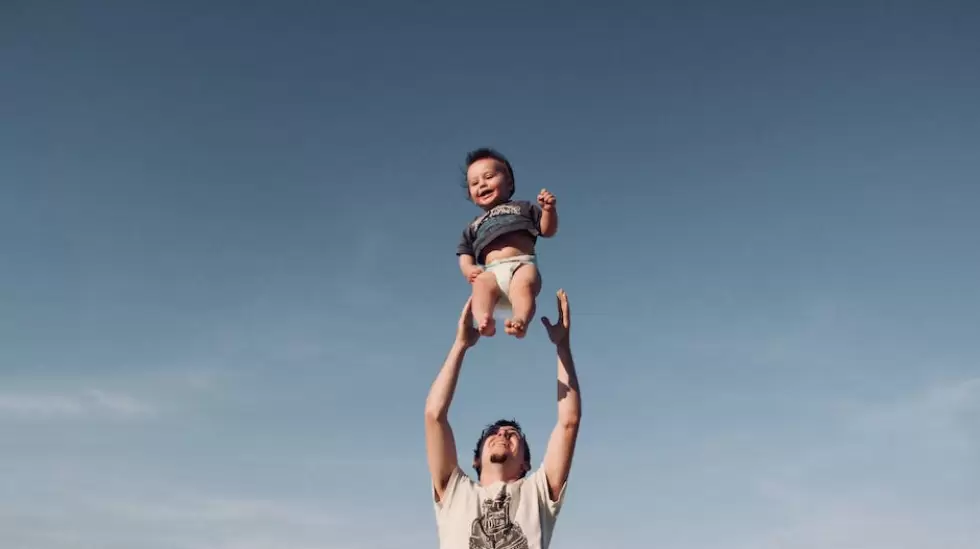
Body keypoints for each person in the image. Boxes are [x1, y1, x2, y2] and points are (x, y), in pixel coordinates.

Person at [424, 289, 581, 549]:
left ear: (525, 463)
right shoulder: (455, 492)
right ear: (476, 459)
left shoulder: (538, 494)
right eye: (494, 434)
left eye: (512, 434)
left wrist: (562, 347)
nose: (502, 435)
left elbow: (569, 422)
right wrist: (460, 345)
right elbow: (434, 415)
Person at [456, 148, 559, 339]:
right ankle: (484, 320)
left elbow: (547, 230)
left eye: (488, 177)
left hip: (521, 263)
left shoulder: (523, 208)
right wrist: (468, 269)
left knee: (523, 285)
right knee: (481, 284)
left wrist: (548, 211)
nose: (482, 184)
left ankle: (520, 319)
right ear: (470, 194)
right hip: (491, 271)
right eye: (475, 183)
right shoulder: (473, 226)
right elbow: (464, 253)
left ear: (509, 182)